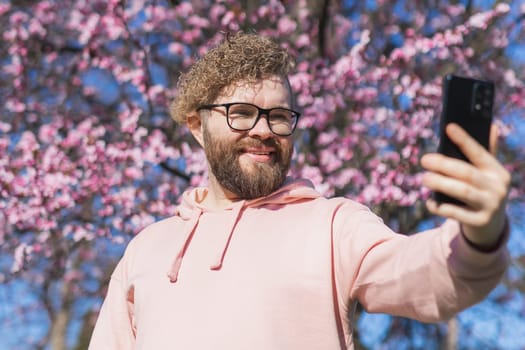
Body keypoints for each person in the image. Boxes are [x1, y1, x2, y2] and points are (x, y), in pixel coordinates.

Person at [88, 32, 510, 349]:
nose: (263, 131)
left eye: (278, 116)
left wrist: (479, 234)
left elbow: (428, 279)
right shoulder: (146, 250)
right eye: (241, 114)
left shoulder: (333, 225)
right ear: (197, 127)